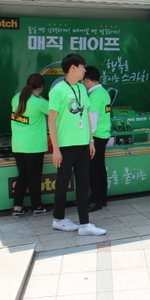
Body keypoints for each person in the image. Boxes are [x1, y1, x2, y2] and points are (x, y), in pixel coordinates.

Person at [48, 53, 106, 236]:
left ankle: (84, 224)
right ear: (73, 68)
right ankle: (58, 219)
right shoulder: (57, 90)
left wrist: (90, 140)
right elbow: (51, 121)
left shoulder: (82, 89)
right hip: (65, 146)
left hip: (83, 144)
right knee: (62, 183)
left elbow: (87, 116)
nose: (84, 70)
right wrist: (56, 149)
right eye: (82, 67)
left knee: (83, 184)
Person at [11, 73, 49, 218]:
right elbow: (54, 110)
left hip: (18, 144)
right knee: (34, 177)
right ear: (41, 87)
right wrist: (41, 98)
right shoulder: (38, 102)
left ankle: (17, 208)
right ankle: (37, 206)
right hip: (34, 145)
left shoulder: (16, 98)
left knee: (23, 176)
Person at [83, 67, 111, 212]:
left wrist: (90, 140)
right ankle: (102, 198)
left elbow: (92, 120)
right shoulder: (104, 92)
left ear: (86, 80)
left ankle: (95, 201)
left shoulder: (94, 96)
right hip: (104, 134)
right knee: (100, 168)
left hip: (96, 136)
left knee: (92, 169)